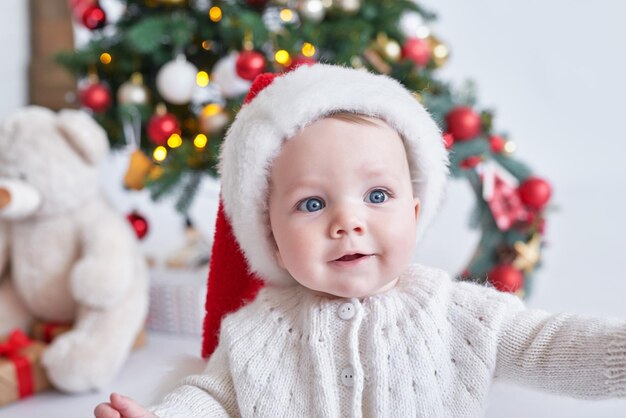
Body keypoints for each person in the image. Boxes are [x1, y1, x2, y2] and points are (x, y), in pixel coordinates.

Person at [95, 64, 626, 418]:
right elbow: (211, 399)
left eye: (376, 195)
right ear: (273, 241)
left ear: (414, 214)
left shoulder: (458, 313)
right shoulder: (254, 333)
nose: (347, 223)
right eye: (311, 204)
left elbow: (549, 343)